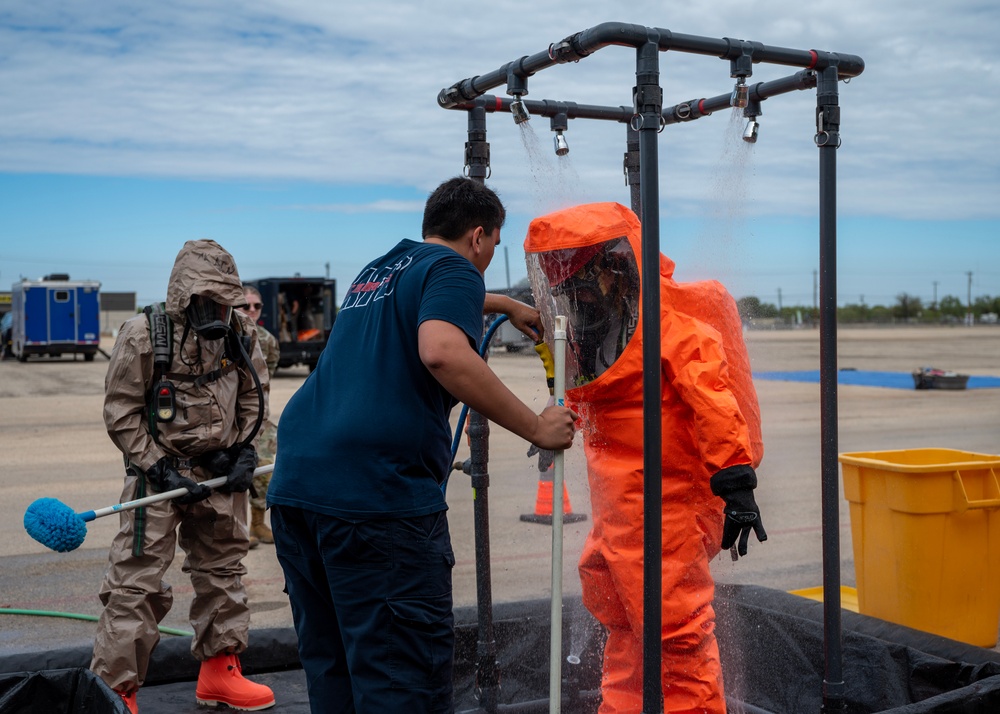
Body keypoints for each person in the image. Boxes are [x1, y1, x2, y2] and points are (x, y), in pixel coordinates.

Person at [266, 177, 578, 713]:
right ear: (478, 236)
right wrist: (536, 427)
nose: (484, 262)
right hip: (375, 503)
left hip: (300, 493)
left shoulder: (380, 269)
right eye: (492, 250)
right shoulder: (454, 269)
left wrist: (501, 302)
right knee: (399, 680)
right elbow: (441, 352)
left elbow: (428, 300)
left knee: (335, 669)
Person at [524, 202, 767, 714]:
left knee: (677, 637)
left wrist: (735, 482)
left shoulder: (669, 325)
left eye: (583, 281)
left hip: (666, 509)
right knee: (626, 631)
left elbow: (714, 400)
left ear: (615, 270)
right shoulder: (601, 333)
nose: (576, 296)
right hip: (619, 518)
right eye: (567, 286)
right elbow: (583, 395)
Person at [93, 239, 275, 714]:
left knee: (224, 573)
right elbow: (121, 412)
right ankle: (115, 692)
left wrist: (241, 452)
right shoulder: (142, 334)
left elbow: (255, 396)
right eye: (208, 299)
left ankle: (221, 673)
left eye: (224, 299)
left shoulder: (241, 334)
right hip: (157, 477)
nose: (217, 309)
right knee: (137, 584)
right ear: (184, 295)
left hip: (216, 477)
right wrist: (157, 465)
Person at [240, 284, 280, 548]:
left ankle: (257, 523)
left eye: (257, 306)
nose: (252, 310)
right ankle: (236, 529)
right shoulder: (221, 335)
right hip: (227, 419)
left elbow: (269, 373)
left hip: (257, 419)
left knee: (264, 469)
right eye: (246, 306)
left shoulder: (267, 340)